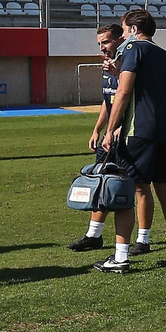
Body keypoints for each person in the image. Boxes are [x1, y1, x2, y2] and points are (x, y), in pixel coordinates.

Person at [96, 9, 166, 272]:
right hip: (165, 131)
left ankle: (121, 256)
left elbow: (124, 91)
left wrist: (110, 128)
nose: (122, 35)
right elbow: (145, 87)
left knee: (127, 189)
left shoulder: (133, 50)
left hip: (138, 131)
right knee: (164, 190)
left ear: (134, 30)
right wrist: (118, 72)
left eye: (124, 31)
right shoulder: (165, 55)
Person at [70, 24, 125, 252]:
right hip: (109, 134)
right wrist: (97, 129)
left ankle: (141, 239)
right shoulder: (108, 65)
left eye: (106, 42)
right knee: (101, 181)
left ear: (120, 39)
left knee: (131, 187)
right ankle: (94, 235)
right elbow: (108, 99)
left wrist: (120, 128)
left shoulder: (127, 63)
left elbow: (130, 96)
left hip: (127, 134)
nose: (102, 48)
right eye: (100, 43)